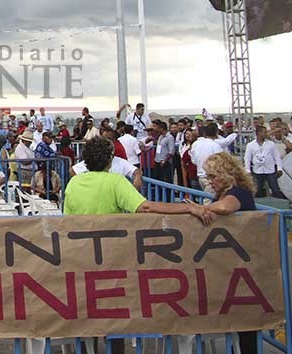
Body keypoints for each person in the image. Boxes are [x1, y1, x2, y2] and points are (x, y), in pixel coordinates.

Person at [183, 151, 257, 354]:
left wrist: (196, 209)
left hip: (245, 266)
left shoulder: (238, 193)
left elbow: (225, 208)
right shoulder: (225, 192)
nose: (210, 181)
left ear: (226, 174)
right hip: (233, 265)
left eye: (213, 176)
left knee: (246, 325)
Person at [64, 136, 209, 221]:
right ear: (109, 159)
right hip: (109, 242)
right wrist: (188, 207)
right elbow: (146, 207)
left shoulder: (73, 183)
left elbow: (67, 219)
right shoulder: (115, 181)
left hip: (81, 244)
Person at [244, 125, 284, 198]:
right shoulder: (250, 145)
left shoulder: (271, 144)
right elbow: (247, 158)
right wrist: (248, 170)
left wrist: (279, 168)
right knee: (257, 189)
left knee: (275, 188)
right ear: (258, 133)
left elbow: (277, 157)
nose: (266, 134)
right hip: (257, 170)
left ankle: (279, 203)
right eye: (264, 132)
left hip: (270, 170)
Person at [190, 123, 225, 195]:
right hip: (211, 177)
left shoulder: (196, 144)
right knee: (208, 201)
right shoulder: (215, 146)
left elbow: (193, 161)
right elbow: (220, 163)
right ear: (216, 133)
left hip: (200, 175)